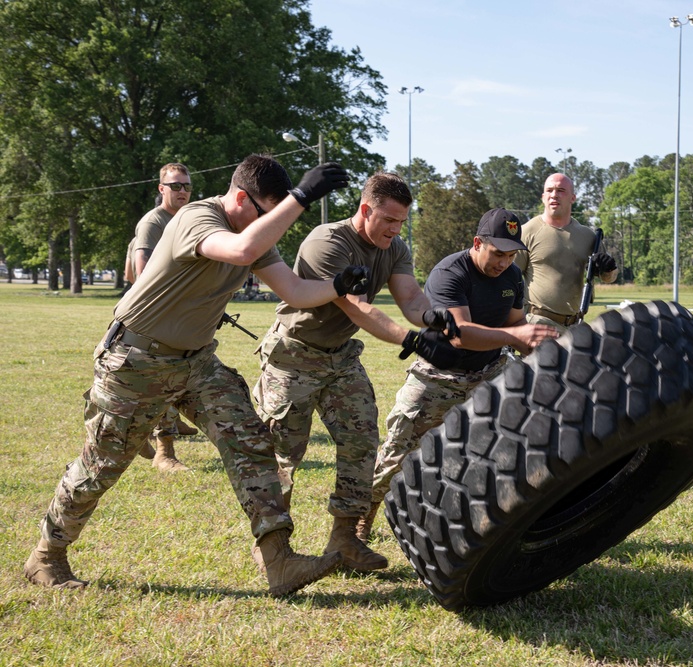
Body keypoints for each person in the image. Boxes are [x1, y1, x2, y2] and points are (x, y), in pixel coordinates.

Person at [25, 154, 362, 597]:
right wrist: (300, 197)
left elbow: (295, 291)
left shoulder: (254, 230)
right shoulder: (195, 217)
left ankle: (279, 561)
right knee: (101, 467)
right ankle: (46, 557)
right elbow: (240, 250)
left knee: (252, 441)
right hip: (136, 361)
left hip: (197, 363)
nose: (273, 223)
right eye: (268, 212)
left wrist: (337, 285)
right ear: (241, 197)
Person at [252, 171, 461, 573]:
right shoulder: (326, 242)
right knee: (283, 455)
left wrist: (432, 318)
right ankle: (273, 549)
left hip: (341, 358)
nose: (396, 230)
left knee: (361, 444)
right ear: (366, 209)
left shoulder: (394, 246)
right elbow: (357, 307)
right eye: (389, 220)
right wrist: (412, 340)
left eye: (402, 222)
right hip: (293, 357)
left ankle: (345, 540)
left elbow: (412, 296)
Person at [363, 208, 559, 542]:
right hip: (439, 375)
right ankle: (360, 520)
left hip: (489, 370)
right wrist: (516, 338)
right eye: (498, 253)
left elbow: (515, 323)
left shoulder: (512, 276)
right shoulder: (450, 273)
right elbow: (460, 333)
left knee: (515, 444)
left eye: (511, 255)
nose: (503, 262)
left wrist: (538, 344)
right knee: (398, 454)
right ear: (477, 243)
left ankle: (499, 523)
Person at [125, 163, 200, 471]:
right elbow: (142, 271)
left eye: (186, 186)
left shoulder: (184, 218)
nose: (182, 191)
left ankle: (139, 430)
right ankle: (163, 451)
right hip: (155, 314)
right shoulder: (153, 222)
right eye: (175, 186)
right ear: (162, 189)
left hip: (178, 310)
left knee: (182, 372)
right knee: (162, 376)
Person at [515, 173, 618, 332]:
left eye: (561, 190)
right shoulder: (527, 232)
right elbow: (507, 276)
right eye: (549, 190)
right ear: (543, 197)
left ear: (573, 198)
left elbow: (608, 278)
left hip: (574, 325)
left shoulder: (587, 236)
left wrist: (609, 267)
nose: (554, 195)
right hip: (537, 323)